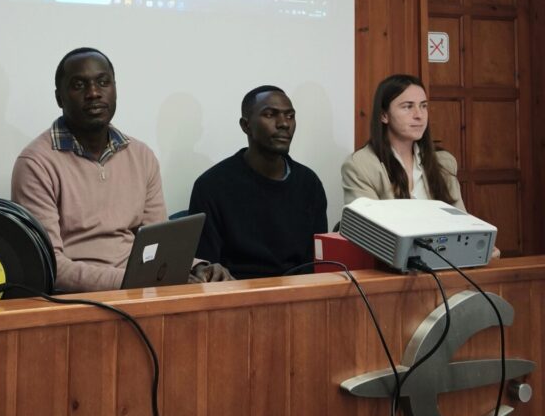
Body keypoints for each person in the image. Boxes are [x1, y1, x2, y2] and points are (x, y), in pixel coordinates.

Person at [11, 47, 229, 293]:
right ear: (59, 98)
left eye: (103, 82)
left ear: (115, 90)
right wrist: (134, 282)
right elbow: (49, 265)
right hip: (79, 299)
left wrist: (197, 267)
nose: (94, 93)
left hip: (140, 290)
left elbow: (160, 246)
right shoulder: (36, 163)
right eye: (79, 85)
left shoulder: (141, 156)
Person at [188, 86, 328, 278]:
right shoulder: (211, 186)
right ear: (246, 126)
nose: (284, 123)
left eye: (290, 116)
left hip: (298, 291)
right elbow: (206, 270)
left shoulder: (309, 184)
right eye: (270, 115)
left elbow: (316, 264)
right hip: (237, 291)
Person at [341, 73, 464, 207]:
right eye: (408, 106)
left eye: (423, 106)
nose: (419, 115)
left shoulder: (444, 162)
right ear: (384, 115)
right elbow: (367, 220)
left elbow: (459, 217)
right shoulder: (361, 166)